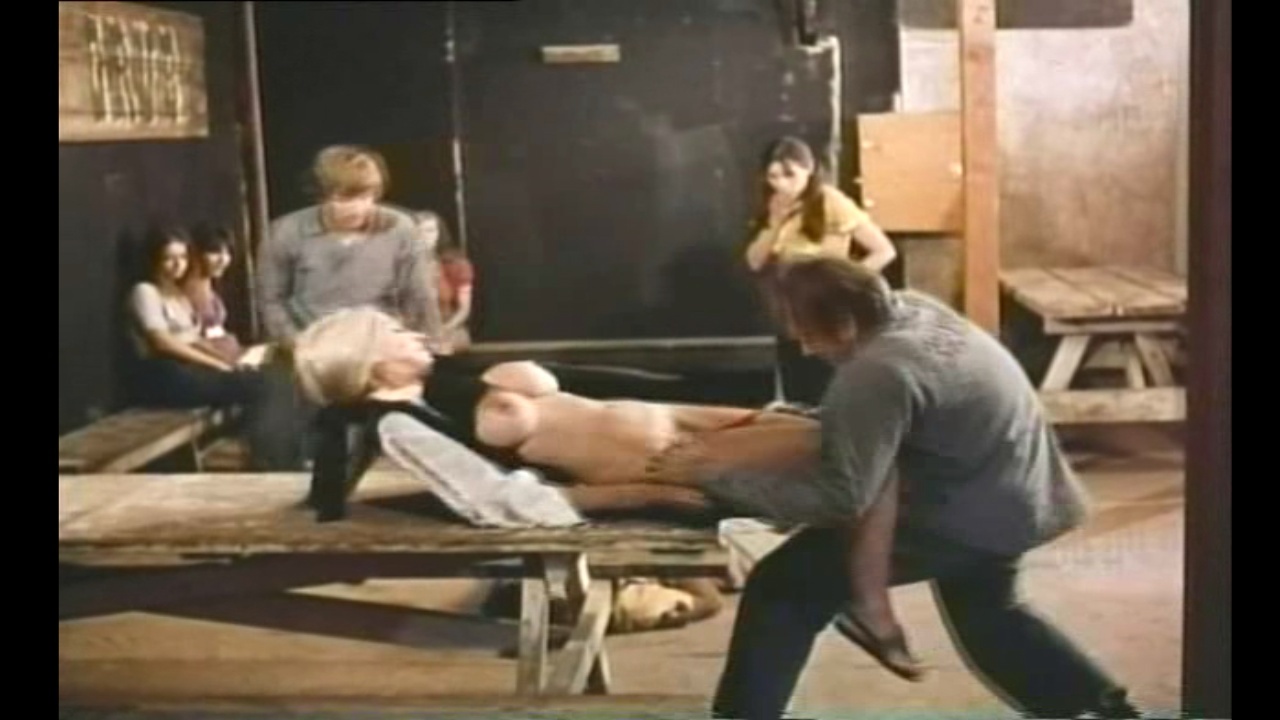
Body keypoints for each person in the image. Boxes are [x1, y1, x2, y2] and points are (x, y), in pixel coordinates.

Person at [708, 256, 1142, 720]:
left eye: (809, 332)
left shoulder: (875, 371)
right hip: (1019, 487)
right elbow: (900, 414)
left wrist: (721, 481)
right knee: (990, 617)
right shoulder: (915, 309)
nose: (805, 347)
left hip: (968, 507)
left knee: (784, 587)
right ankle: (1106, 709)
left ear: (846, 320)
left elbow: (843, 498)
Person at [251, 145, 446, 469]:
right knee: (275, 429)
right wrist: (300, 345)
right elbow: (271, 301)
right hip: (308, 344)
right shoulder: (286, 232)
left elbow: (420, 295)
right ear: (323, 195)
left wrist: (431, 346)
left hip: (379, 346)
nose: (356, 207)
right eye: (343, 198)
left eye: (365, 197)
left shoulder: (400, 228)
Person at [743, 136, 897, 406]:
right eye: (773, 176)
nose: (781, 184)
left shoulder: (830, 200)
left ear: (809, 168)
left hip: (825, 306)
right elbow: (754, 261)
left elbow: (883, 250)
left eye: (790, 175)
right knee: (796, 387)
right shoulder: (774, 203)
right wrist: (776, 222)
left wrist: (845, 283)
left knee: (826, 383)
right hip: (789, 306)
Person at [125, 225, 264, 409]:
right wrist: (216, 365)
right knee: (252, 386)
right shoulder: (145, 291)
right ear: (155, 259)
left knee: (258, 378)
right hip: (163, 372)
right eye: (169, 258)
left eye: (183, 257)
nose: (178, 264)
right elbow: (162, 342)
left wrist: (227, 362)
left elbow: (194, 339)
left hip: (189, 368)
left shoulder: (179, 295)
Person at [413, 209, 474, 352]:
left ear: (439, 233)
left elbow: (464, 309)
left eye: (430, 231)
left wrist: (443, 330)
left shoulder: (456, 264)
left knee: (443, 347)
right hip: (414, 329)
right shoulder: (403, 264)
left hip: (447, 327)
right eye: (419, 232)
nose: (425, 236)